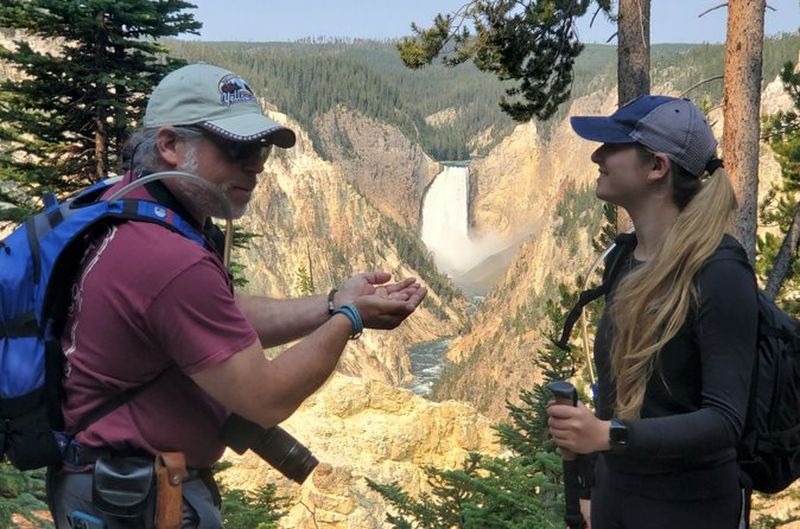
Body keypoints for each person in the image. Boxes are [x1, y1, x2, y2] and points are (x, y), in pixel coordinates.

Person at [47, 63, 427, 529]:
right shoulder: (168, 259)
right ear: (170, 145)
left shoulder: (126, 206)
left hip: (103, 487)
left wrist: (330, 302)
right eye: (235, 147)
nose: (256, 164)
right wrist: (349, 318)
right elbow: (265, 399)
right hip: (139, 504)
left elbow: (217, 317)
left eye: (260, 148)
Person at [546, 95, 758, 529]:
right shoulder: (624, 259)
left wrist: (607, 435)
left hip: (688, 510)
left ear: (657, 167)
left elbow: (723, 421)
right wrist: (589, 491)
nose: (597, 156)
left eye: (612, 146)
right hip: (616, 499)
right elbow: (616, 395)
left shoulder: (720, 271)